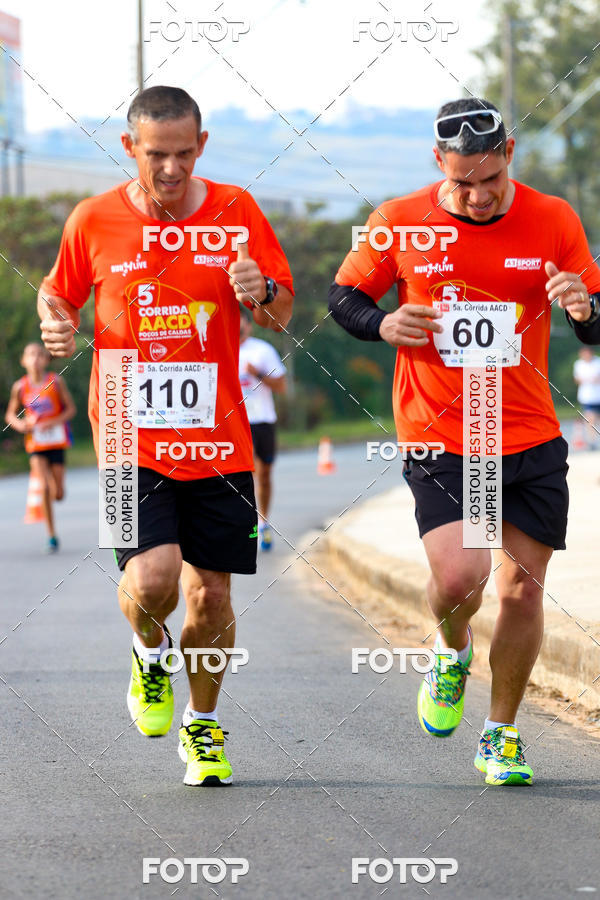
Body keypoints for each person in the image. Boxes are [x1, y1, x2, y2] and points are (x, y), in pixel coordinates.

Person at [329, 98, 600, 786]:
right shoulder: (400, 219)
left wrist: (584, 308)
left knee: (522, 592)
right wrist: (383, 324)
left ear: (509, 153)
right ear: (437, 163)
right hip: (446, 432)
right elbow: (344, 297)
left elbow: (596, 319)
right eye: (462, 183)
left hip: (531, 431)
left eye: (490, 181)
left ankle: (501, 734)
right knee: (461, 579)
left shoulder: (554, 218)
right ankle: (451, 652)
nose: (478, 198)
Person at [38, 86, 294, 786]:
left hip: (220, 436)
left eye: (185, 153)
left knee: (211, 591)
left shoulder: (237, 213)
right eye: (157, 155)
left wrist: (260, 292)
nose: (173, 169)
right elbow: (56, 292)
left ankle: (204, 727)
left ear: (202, 145)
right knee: (153, 580)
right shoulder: (93, 219)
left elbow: (282, 314)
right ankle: (148, 651)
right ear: (130, 148)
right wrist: (55, 320)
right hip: (126, 425)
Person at [5, 342, 76, 553]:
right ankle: (52, 535)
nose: (35, 359)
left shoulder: (55, 382)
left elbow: (71, 409)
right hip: (35, 443)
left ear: (46, 359)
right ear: (23, 361)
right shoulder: (20, 387)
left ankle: (57, 492)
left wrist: (53, 422)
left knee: (58, 493)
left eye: (39, 355)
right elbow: (10, 414)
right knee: (43, 486)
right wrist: (20, 424)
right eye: (30, 355)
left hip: (56, 442)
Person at [239, 310, 287, 550]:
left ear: (249, 325)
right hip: (235, 423)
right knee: (241, 475)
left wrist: (256, 373)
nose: (238, 329)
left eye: (242, 324)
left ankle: (263, 522)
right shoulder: (218, 348)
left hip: (262, 420)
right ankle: (243, 526)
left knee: (264, 475)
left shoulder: (262, 351)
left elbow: (281, 385)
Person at [573, 346, 600, 449]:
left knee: (597, 419)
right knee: (590, 419)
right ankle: (592, 441)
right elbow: (576, 379)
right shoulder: (578, 364)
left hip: (598, 395)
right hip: (587, 397)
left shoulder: (598, 362)